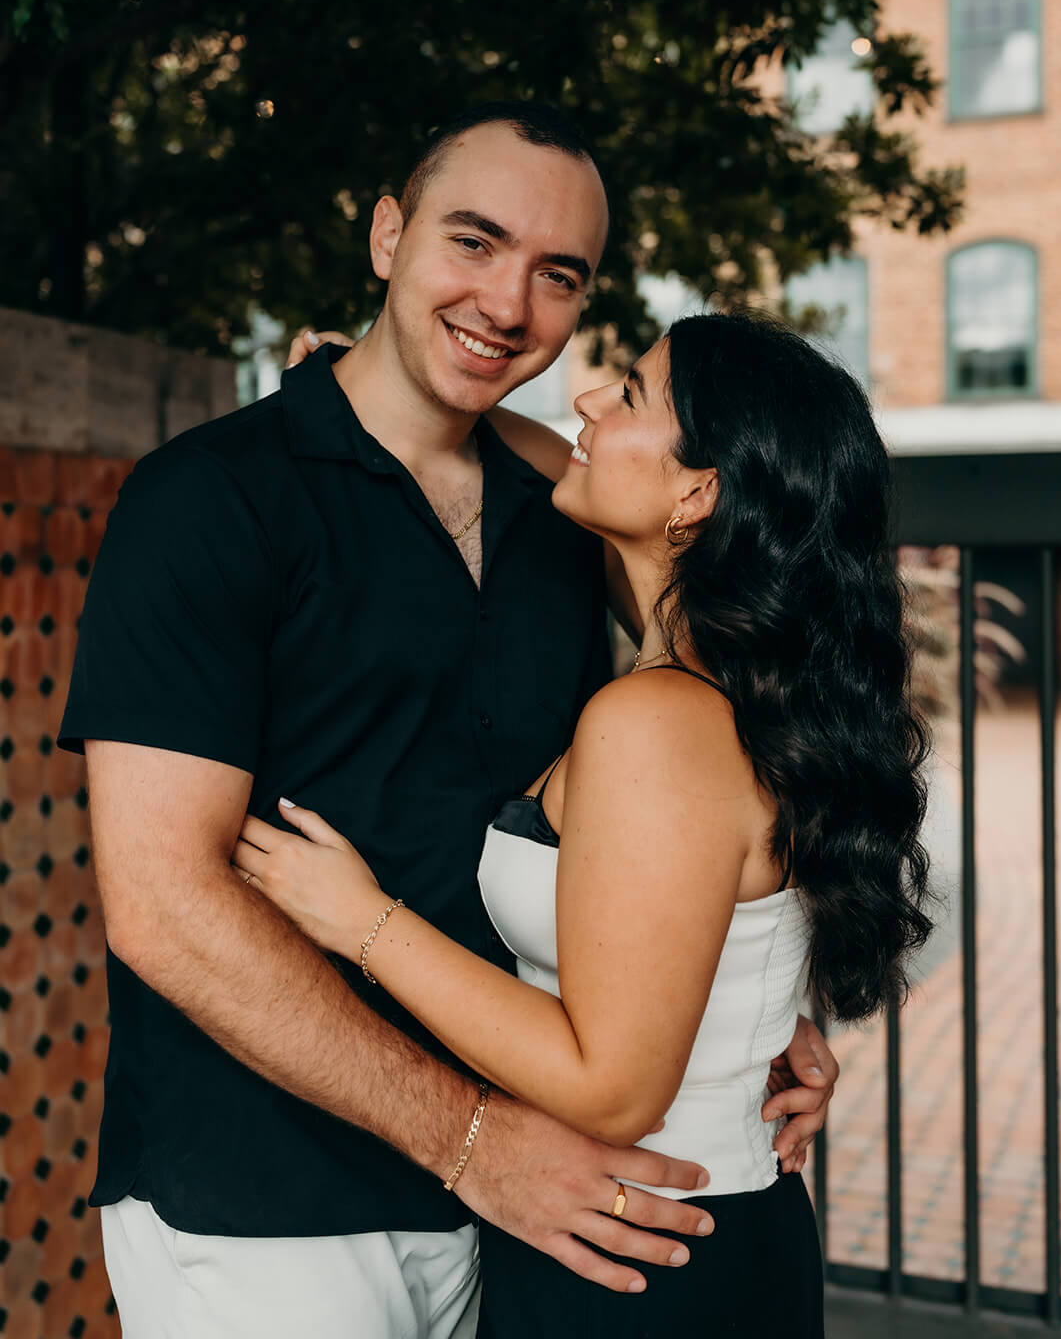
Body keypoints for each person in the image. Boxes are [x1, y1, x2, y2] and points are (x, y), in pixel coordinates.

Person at [59, 104, 837, 1339]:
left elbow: (692, 802)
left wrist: (739, 1013)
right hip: (268, 1196)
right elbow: (163, 906)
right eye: (471, 242)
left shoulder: (562, 518)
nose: (507, 303)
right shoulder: (209, 500)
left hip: (532, 1202)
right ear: (386, 234)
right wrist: (468, 1140)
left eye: (556, 275)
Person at [236, 311, 933, 1337]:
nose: (584, 401)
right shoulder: (739, 692)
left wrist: (362, 922)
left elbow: (610, 1088)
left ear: (695, 494)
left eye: (632, 396)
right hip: (679, 1230)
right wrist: (381, 384)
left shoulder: (656, 723)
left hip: (640, 1256)